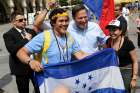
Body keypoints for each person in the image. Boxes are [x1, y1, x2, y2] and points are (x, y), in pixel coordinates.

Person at [16, 8, 88, 72]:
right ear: (53, 23)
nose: (64, 23)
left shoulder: (69, 37)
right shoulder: (44, 37)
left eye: (66, 21)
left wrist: (98, 56)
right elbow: (21, 52)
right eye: (61, 21)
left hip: (66, 78)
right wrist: (30, 61)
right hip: (49, 80)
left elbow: (80, 55)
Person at [3, 11, 40, 93]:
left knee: (38, 88)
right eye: (20, 20)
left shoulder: (30, 31)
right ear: (13, 22)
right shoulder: (8, 34)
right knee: (23, 90)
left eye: (24, 19)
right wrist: (25, 39)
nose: (24, 21)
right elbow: (11, 49)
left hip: (34, 65)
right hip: (20, 68)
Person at [105, 19, 138, 93]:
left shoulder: (128, 43)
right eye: (110, 30)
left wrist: (134, 78)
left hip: (126, 71)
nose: (112, 32)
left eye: (114, 30)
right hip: (113, 70)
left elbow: (135, 61)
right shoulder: (108, 42)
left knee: (125, 90)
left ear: (120, 31)